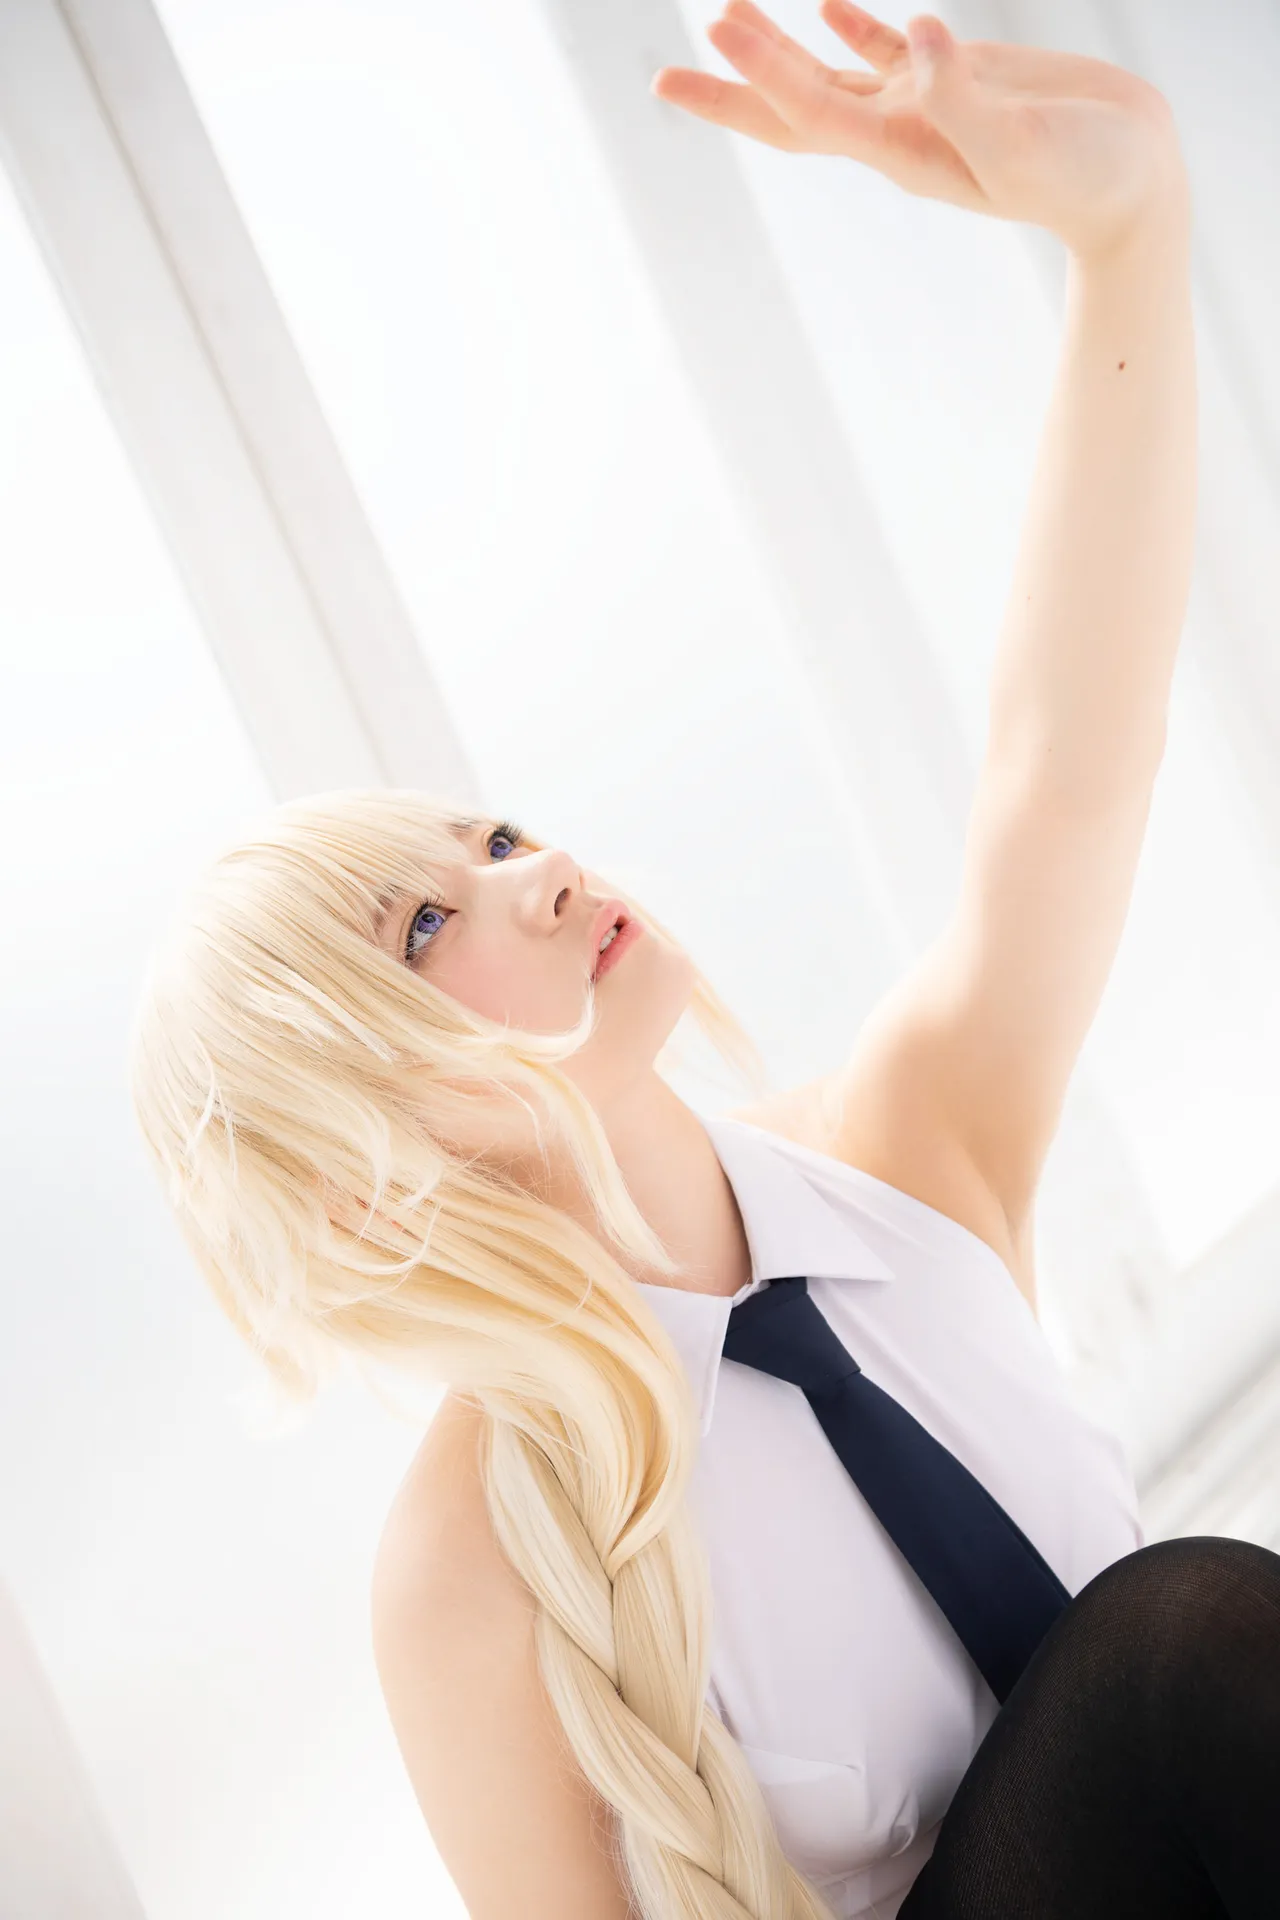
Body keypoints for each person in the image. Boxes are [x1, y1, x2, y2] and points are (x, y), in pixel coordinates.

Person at [128, 7, 1280, 1919]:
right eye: (427, 926)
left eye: (493, 837)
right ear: (362, 1176)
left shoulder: (908, 1157)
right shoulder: (474, 1573)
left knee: (1179, 1653)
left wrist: (1130, 228)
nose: (531, 873)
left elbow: (1065, 762)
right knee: (1173, 1645)